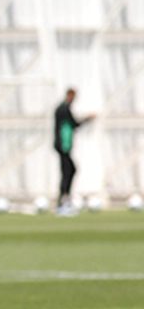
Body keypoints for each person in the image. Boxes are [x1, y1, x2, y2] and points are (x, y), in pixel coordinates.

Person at [54, 88, 94, 216]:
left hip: (65, 146)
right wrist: (87, 119)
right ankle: (63, 202)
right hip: (63, 146)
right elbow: (74, 123)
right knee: (68, 171)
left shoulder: (62, 108)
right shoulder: (63, 109)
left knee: (69, 171)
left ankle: (64, 200)